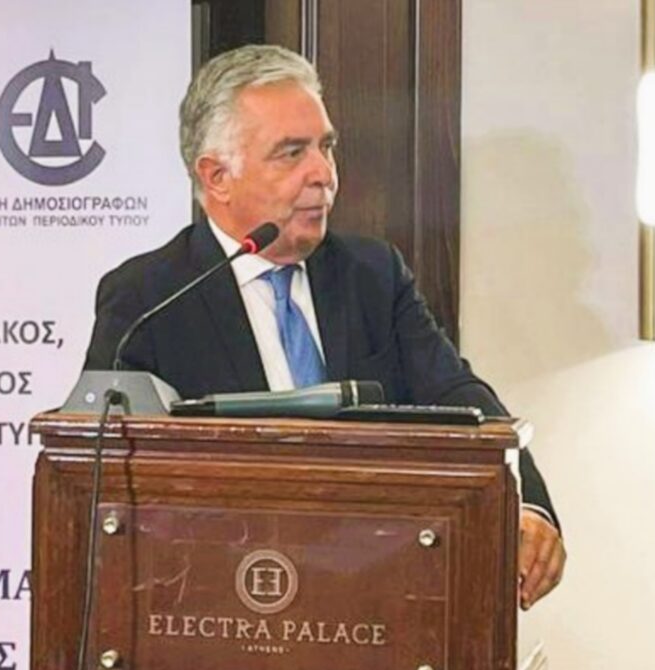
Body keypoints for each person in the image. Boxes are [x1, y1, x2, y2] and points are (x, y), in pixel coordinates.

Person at [83, 45, 565, 608]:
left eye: (326, 147)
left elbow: (458, 396)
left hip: (375, 597)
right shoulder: (149, 300)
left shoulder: (372, 276)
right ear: (217, 178)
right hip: (217, 607)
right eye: (292, 153)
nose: (324, 175)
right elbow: (104, 482)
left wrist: (524, 502)